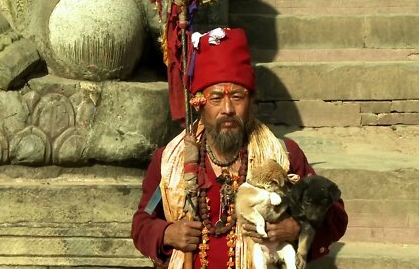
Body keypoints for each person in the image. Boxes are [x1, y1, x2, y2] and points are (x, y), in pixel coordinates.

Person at [131, 28, 348, 269]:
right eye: (215, 98)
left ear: (251, 101)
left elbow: (335, 216)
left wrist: (297, 228)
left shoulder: (285, 156)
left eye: (237, 96)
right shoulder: (170, 160)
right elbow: (142, 222)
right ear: (199, 105)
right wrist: (166, 233)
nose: (227, 109)